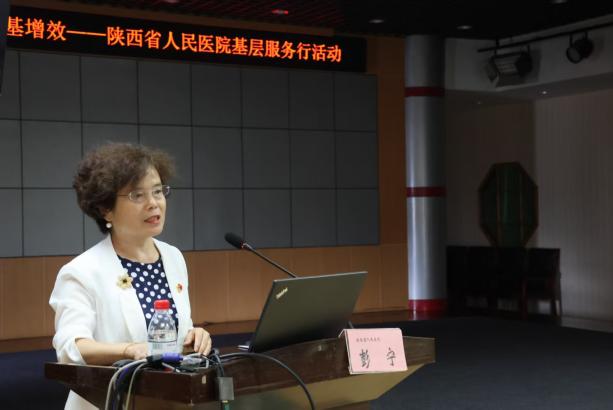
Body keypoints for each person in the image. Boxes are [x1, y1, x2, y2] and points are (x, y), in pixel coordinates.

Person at [49, 142, 211, 410]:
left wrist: (193, 336)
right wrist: (128, 349)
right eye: (137, 195)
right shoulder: (81, 271)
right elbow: (71, 348)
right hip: (108, 402)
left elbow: (169, 337)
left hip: (167, 401)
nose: (153, 203)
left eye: (157, 191)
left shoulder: (173, 257)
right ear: (106, 208)